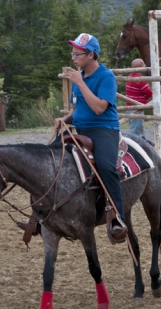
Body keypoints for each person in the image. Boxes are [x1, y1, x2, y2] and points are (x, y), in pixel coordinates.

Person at [53, 33, 127, 241]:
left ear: (91, 55)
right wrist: (65, 120)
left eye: (78, 53)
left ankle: (117, 218)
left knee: (106, 167)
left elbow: (98, 108)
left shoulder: (106, 77)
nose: (73, 57)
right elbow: (78, 108)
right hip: (80, 130)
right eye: (73, 53)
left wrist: (80, 82)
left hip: (104, 130)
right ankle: (43, 215)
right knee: (49, 156)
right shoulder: (79, 76)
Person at [126, 58, 152, 141]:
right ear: (141, 66)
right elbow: (149, 93)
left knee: (138, 127)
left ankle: (143, 142)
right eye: (144, 64)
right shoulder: (140, 80)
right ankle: (135, 146)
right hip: (137, 107)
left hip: (130, 106)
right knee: (136, 130)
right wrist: (155, 90)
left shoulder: (130, 77)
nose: (145, 66)